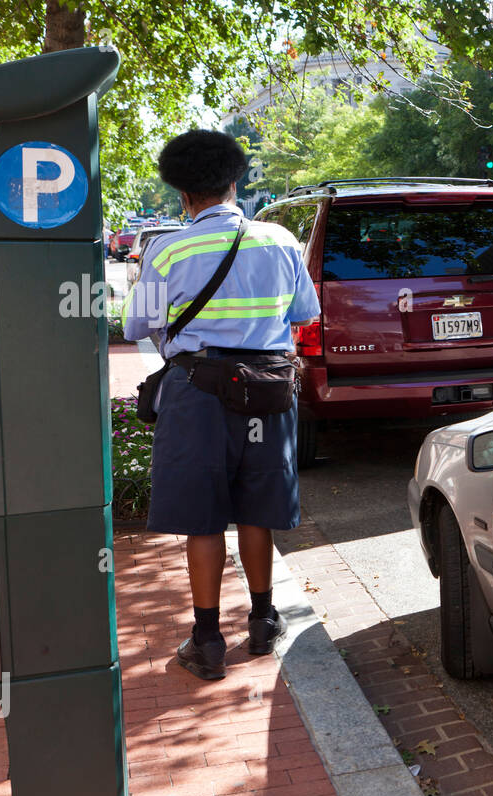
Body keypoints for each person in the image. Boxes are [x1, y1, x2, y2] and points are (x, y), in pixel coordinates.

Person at [123, 130, 321, 681]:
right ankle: (263, 621)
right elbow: (306, 312)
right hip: (268, 389)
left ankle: (207, 640)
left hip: (198, 391)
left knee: (204, 517)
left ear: (183, 195)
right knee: (258, 508)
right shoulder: (280, 239)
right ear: (235, 182)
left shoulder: (166, 247)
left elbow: (135, 324)